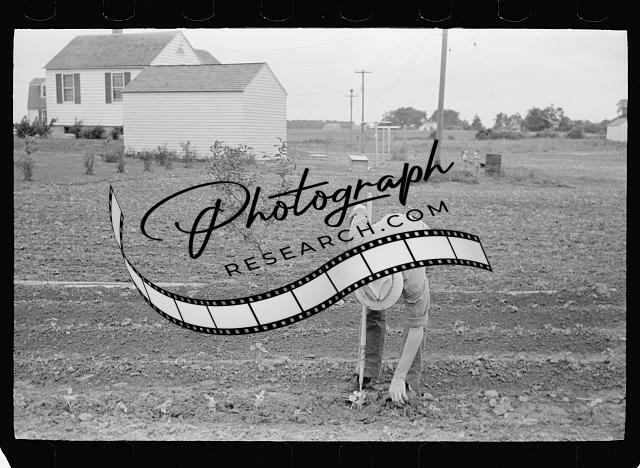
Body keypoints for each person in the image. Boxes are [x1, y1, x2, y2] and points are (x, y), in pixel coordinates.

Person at [346, 205, 431, 406]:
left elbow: (416, 328)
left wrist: (398, 376)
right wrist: (359, 210)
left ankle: (407, 381)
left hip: (421, 242)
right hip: (384, 233)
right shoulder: (359, 245)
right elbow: (358, 217)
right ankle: (366, 372)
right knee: (371, 309)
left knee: (417, 318)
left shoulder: (413, 276)